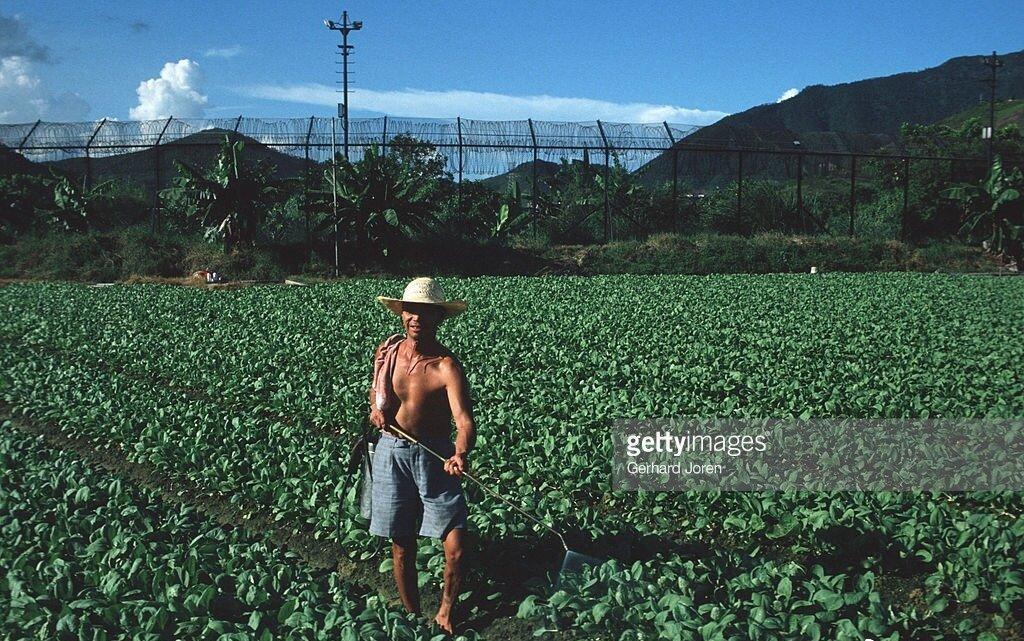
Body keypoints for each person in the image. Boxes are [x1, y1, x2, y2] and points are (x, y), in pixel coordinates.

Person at [368, 276, 474, 634]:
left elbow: (464, 420)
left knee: (456, 545)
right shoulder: (388, 351)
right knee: (401, 544)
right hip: (392, 451)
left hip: (436, 456)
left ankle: (445, 611)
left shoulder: (446, 366)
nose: (416, 318)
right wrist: (377, 411)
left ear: (438, 318)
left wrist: (460, 453)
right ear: (402, 314)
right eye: (411, 311)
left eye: (425, 313)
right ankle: (412, 616)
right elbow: (378, 395)